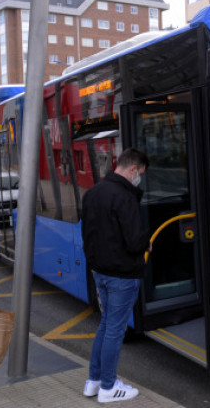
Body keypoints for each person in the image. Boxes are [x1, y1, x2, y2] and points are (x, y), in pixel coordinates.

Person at [80, 148, 150, 403]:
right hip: (122, 274)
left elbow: (87, 234)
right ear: (133, 169)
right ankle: (109, 387)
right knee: (115, 330)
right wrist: (146, 243)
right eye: (140, 173)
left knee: (106, 324)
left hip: (99, 271)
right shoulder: (125, 197)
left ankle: (94, 381)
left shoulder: (93, 193)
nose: (139, 178)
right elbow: (133, 241)